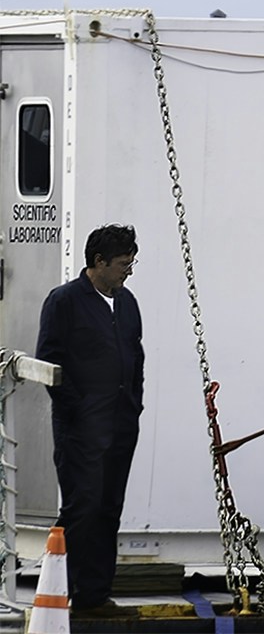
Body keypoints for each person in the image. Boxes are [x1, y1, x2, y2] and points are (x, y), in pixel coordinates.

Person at [36, 224, 146, 620]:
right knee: (82, 507)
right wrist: (77, 410)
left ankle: (94, 596)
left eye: (131, 263)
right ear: (98, 263)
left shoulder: (128, 302)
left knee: (109, 508)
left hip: (120, 425)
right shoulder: (64, 301)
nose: (128, 270)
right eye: (122, 263)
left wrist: (135, 404)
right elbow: (49, 360)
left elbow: (136, 355)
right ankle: (58, 594)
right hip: (81, 428)